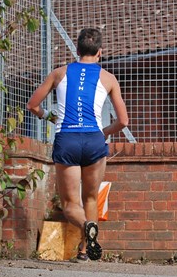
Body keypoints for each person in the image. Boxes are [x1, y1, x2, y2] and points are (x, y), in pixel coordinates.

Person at [27, 28, 129, 262]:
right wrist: (104, 132)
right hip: (94, 140)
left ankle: (86, 227)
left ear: (77, 50)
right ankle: (85, 249)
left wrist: (49, 117)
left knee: (69, 204)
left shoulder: (59, 73)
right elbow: (123, 121)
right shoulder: (108, 78)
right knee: (90, 198)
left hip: (67, 139)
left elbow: (32, 105)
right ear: (100, 53)